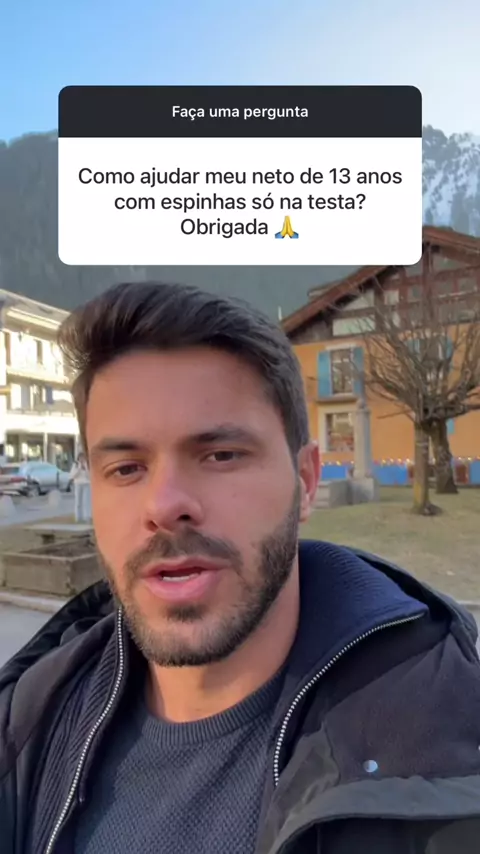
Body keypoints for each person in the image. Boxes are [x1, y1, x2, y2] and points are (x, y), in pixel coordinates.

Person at [1, 282, 480, 854]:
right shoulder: (28, 723)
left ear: (305, 482)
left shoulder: (450, 746)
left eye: (221, 455)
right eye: (126, 468)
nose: (165, 505)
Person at [69, 451, 91, 522]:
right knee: (78, 501)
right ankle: (78, 517)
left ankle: (87, 516)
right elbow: (72, 476)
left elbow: (89, 476)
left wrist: (86, 468)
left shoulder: (87, 464)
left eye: (83, 458)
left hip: (86, 484)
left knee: (86, 501)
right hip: (78, 484)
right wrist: (79, 468)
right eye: (80, 458)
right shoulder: (75, 465)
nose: (82, 459)